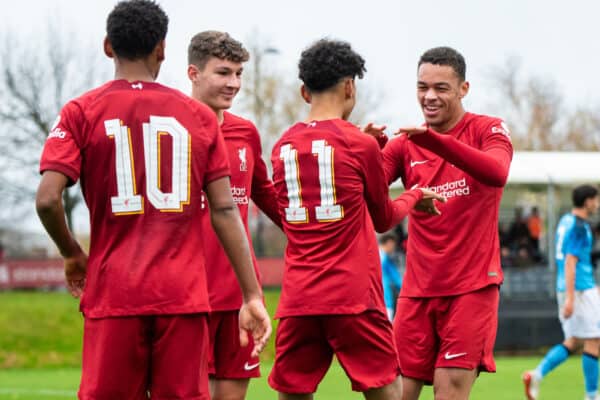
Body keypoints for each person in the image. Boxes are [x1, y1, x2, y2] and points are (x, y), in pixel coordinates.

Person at [35, 2, 270, 398]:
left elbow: (46, 200)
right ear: (162, 49)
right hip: (183, 297)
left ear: (108, 46)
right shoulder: (197, 117)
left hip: (114, 294)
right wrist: (251, 295)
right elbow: (225, 209)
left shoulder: (81, 111)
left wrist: (73, 253)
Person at [267, 38, 445, 400]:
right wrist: (413, 196)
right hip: (352, 297)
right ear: (350, 86)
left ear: (304, 91)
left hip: (299, 297)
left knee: (292, 392)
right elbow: (384, 219)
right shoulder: (358, 143)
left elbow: (312, 189)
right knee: (385, 391)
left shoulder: (283, 146)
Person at [372, 46, 513, 399]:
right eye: (422, 87)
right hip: (417, 290)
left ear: (463, 89)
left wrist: (437, 141)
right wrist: (364, 151)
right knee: (395, 392)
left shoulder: (487, 128)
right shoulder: (405, 144)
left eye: (441, 88)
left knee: (448, 391)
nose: (429, 96)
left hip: (471, 287)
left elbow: (496, 172)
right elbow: (369, 199)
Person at [187, 30, 281, 400]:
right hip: (187, 293)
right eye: (223, 73)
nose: (234, 84)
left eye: (239, 73)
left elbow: (265, 194)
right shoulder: (173, 130)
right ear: (193, 73)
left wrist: (307, 229)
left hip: (239, 294)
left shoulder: (246, 132)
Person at [523, 185, 600, 400]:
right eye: (596, 200)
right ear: (587, 202)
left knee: (574, 341)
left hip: (570, 288)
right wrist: (571, 298)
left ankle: (536, 375)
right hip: (579, 290)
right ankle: (592, 395)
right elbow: (570, 262)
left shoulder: (565, 220)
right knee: (595, 340)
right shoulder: (579, 227)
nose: (597, 204)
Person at [379, 233, 403, 320]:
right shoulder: (384, 259)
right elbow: (397, 279)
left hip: (375, 300)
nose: (394, 248)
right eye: (393, 245)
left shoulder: (374, 255)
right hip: (385, 300)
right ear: (389, 243)